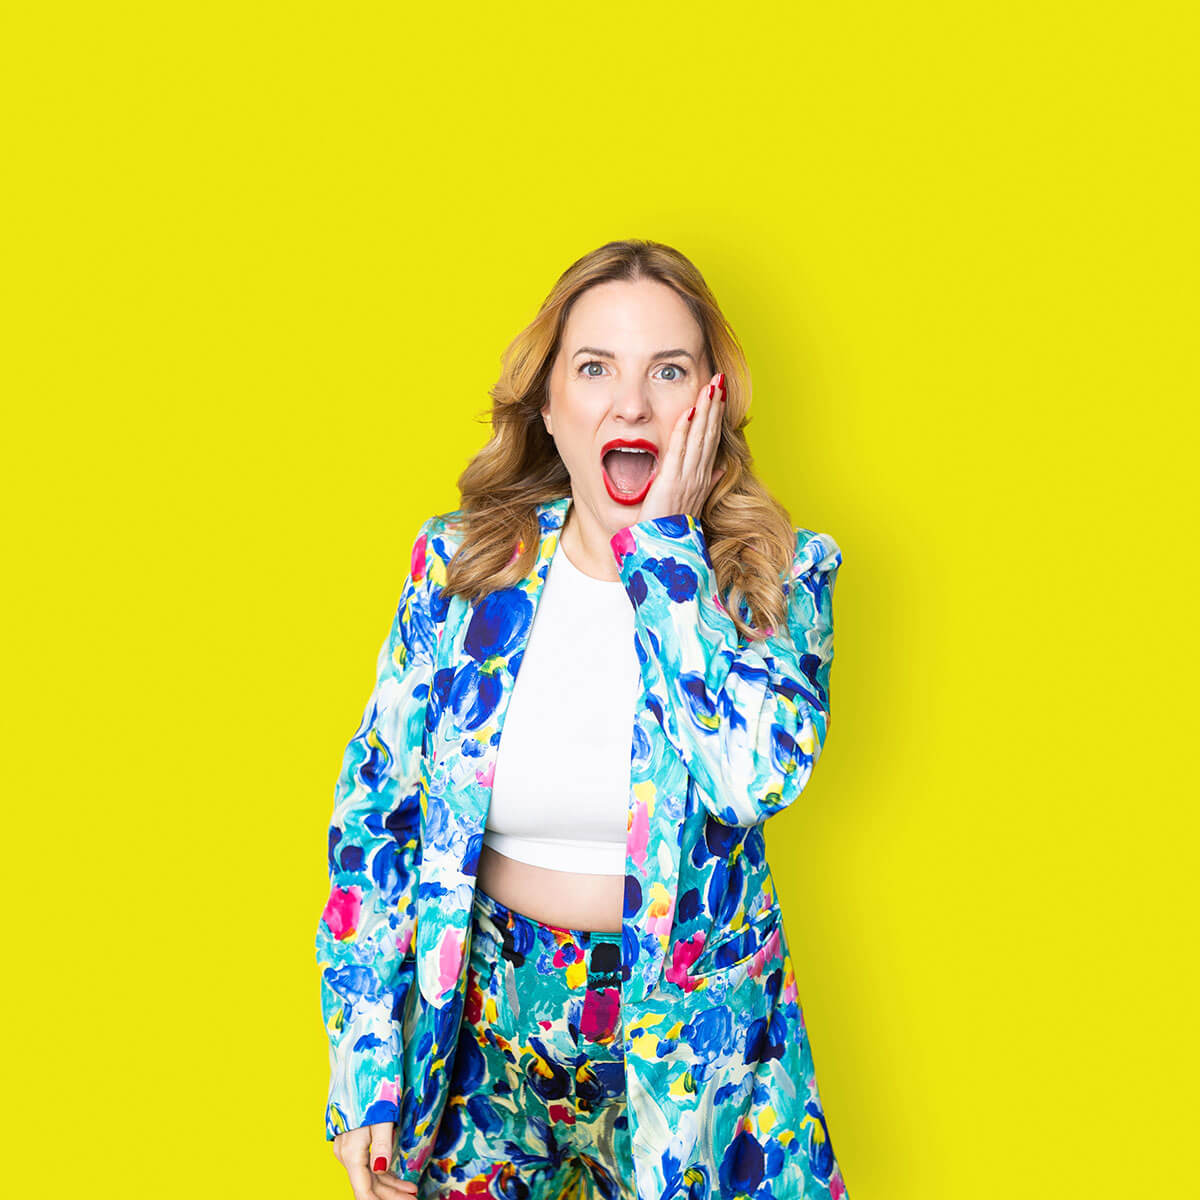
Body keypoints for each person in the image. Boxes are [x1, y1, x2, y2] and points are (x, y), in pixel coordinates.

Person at [315, 238, 851, 1199]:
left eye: (669, 370)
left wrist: (667, 555)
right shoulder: (464, 571)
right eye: (595, 368)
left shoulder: (777, 578)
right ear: (551, 409)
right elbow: (376, 821)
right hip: (478, 1042)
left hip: (692, 1052)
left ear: (711, 406)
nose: (631, 403)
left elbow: (753, 778)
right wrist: (366, 1067)